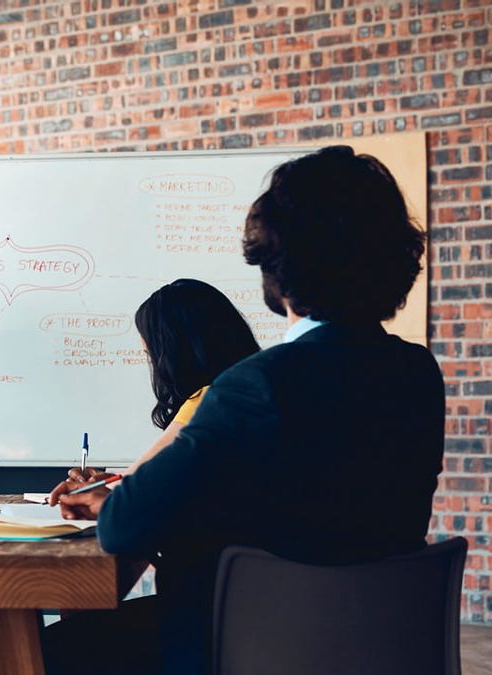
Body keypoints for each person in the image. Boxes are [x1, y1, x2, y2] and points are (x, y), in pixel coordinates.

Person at [45, 146, 442, 675]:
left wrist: (105, 499)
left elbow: (122, 528)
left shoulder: (255, 385)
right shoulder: (417, 375)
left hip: (238, 645)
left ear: (274, 271)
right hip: (381, 646)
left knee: (52, 652)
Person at [49, 278, 261, 495]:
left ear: (173, 354)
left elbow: (138, 479)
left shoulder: (209, 398)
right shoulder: (257, 389)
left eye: (151, 354)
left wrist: (91, 490)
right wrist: (109, 482)